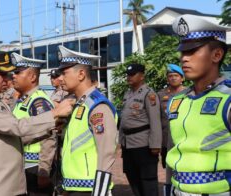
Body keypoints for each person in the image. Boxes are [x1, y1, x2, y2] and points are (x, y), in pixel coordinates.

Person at [0, 50, 75, 196]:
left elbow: (13, 139)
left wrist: (50, 128)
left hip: (10, 186)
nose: (8, 79)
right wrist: (54, 113)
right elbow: (16, 127)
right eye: (2, 74)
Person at [166, 14, 231, 196]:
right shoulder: (177, 101)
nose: (184, 58)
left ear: (217, 55)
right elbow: (174, 150)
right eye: (183, 52)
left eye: (192, 51)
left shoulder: (228, 98)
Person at [57, 45, 118, 196]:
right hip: (74, 187)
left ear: (81, 74)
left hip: (90, 189)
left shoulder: (97, 106)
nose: (60, 79)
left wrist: (100, 192)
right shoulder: (78, 103)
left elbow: (107, 152)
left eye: (64, 73)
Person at [11, 52, 56, 195]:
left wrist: (44, 170)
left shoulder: (38, 102)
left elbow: (50, 137)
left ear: (32, 77)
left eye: (18, 72)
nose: (14, 76)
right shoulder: (23, 100)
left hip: (35, 168)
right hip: (24, 166)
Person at [119, 63, 162, 196]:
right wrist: (121, 141)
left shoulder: (149, 94)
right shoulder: (128, 94)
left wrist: (155, 145)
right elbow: (124, 120)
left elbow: (155, 121)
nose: (129, 77)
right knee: (132, 177)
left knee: (147, 180)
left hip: (143, 144)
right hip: (128, 143)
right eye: (128, 75)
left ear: (142, 76)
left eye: (132, 74)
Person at [157, 64, 185, 195]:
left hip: (183, 140)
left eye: (176, 76)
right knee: (168, 167)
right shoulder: (160, 95)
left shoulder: (189, 93)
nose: (173, 78)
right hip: (165, 139)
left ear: (182, 78)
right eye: (170, 76)